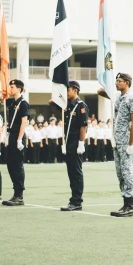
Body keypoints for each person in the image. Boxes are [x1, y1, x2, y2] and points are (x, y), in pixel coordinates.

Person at [98, 72, 133, 217]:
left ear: (127, 83)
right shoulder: (117, 97)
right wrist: (110, 84)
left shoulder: (132, 98)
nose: (116, 83)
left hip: (126, 140)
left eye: (119, 81)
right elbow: (100, 91)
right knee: (120, 172)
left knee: (127, 171)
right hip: (116, 140)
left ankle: (130, 205)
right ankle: (125, 202)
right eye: (115, 81)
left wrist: (131, 143)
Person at [60, 80, 89, 211]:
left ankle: (77, 201)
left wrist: (81, 143)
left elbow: (83, 125)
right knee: (70, 171)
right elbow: (51, 101)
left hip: (76, 141)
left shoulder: (80, 105)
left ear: (75, 90)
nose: (66, 92)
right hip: (68, 141)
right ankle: (73, 199)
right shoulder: (68, 105)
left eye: (68, 90)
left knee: (76, 172)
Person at [4, 79, 29, 206]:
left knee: (17, 166)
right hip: (12, 135)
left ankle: (19, 195)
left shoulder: (23, 103)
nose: (10, 89)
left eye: (12, 87)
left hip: (18, 136)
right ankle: (15, 193)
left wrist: (19, 139)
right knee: (10, 165)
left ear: (19, 88)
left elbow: (24, 122)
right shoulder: (12, 103)